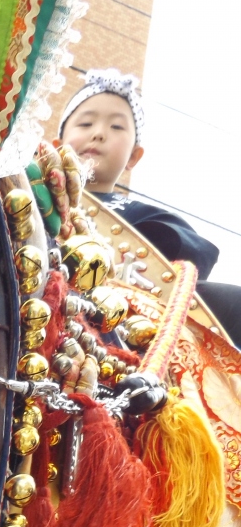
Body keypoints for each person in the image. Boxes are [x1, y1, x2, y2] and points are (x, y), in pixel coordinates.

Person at [58, 69, 241, 343]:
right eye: (85, 124)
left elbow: (185, 263)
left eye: (116, 127)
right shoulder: (29, 189)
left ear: (134, 156)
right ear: (56, 144)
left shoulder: (144, 216)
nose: (98, 133)